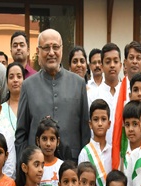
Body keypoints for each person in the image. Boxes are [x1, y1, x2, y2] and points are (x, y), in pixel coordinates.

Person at [15, 29, 89, 159]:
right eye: (46, 48)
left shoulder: (78, 83)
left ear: (61, 49)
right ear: (38, 51)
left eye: (55, 47)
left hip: (71, 164)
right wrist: (24, 167)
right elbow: (21, 134)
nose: (51, 53)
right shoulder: (28, 85)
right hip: (37, 166)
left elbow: (85, 131)